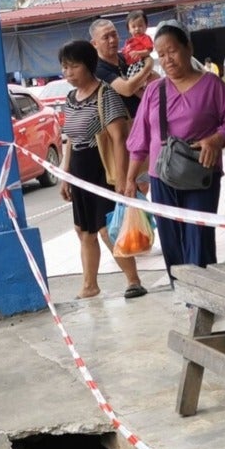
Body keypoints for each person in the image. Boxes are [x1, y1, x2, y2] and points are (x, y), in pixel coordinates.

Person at [123, 21, 225, 279]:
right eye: (161, 54)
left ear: (188, 48)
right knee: (171, 241)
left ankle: (202, 298)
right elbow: (140, 139)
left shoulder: (212, 85)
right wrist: (130, 179)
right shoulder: (154, 90)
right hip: (162, 178)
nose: (167, 59)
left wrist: (216, 140)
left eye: (172, 51)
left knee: (198, 238)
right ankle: (183, 293)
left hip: (201, 174)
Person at [56, 39, 145, 300]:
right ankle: (90, 285)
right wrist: (65, 175)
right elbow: (70, 139)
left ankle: (133, 280)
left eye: (73, 67)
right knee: (84, 230)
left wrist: (121, 178)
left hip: (102, 170)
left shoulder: (105, 94)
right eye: (64, 68)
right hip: (79, 173)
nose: (68, 73)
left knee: (108, 229)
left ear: (88, 65)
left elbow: (119, 138)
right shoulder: (70, 98)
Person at [90, 18, 158, 117]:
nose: (112, 40)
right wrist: (148, 65)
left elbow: (155, 78)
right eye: (106, 37)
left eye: (114, 35)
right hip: (127, 125)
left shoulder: (126, 56)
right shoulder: (98, 68)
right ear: (94, 43)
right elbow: (128, 89)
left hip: (149, 114)